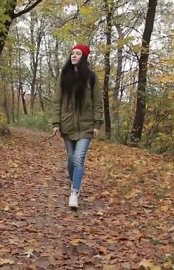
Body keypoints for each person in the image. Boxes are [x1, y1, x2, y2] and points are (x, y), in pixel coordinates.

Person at [51, 44, 103, 209]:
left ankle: (75, 192)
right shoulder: (64, 76)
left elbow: (97, 102)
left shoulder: (91, 78)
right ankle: (75, 181)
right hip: (67, 124)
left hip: (86, 126)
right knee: (71, 160)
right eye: (72, 53)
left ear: (84, 57)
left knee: (78, 158)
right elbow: (57, 101)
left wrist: (97, 123)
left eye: (78, 53)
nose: (74, 56)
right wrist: (56, 123)